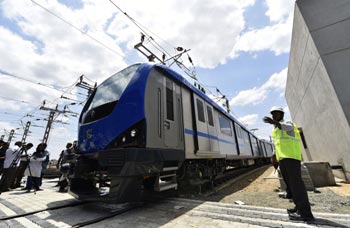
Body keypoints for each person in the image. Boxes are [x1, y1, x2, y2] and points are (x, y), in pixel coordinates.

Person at [263, 106, 314, 222]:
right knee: (290, 186)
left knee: (297, 185)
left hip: (291, 158)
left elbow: (287, 128)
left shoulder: (288, 123)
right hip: (283, 159)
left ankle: (305, 214)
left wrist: (274, 122)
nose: (273, 116)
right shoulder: (275, 129)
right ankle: (298, 208)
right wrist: (274, 156)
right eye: (272, 114)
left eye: (276, 114)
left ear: (281, 114)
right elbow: (277, 144)